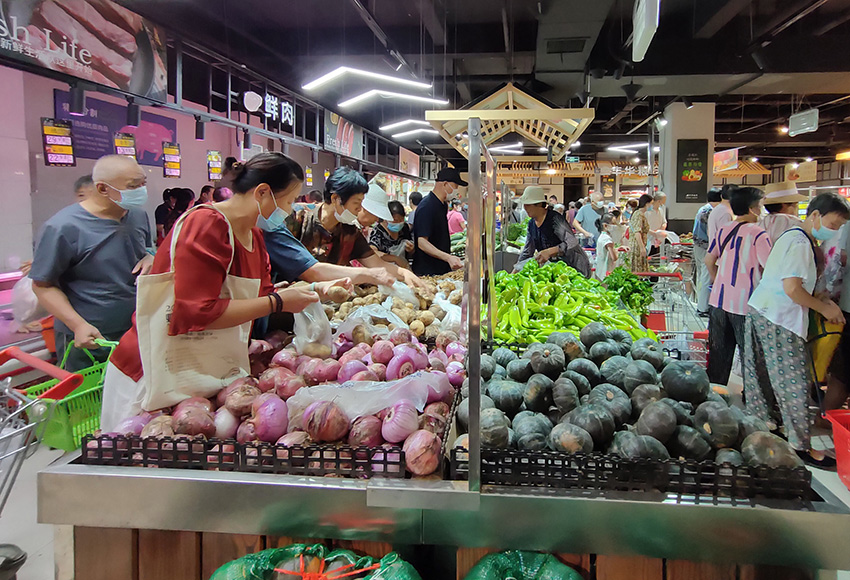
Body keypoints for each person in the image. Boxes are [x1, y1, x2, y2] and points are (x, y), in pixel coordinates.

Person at [100, 153, 342, 429]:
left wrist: (313, 289)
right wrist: (277, 302)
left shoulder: (254, 235)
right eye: (288, 201)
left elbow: (260, 295)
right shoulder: (206, 224)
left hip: (201, 373)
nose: (288, 211)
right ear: (262, 193)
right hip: (152, 372)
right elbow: (195, 311)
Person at [744, 192, 850, 468]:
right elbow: (792, 289)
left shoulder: (794, 237)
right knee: (794, 381)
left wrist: (821, 298)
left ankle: (766, 432)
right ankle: (799, 445)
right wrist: (823, 308)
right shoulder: (800, 243)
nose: (834, 231)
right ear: (814, 215)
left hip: (762, 311)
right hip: (779, 318)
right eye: (834, 224)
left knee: (763, 378)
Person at [30, 155, 154, 371]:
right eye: (133, 186)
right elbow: (42, 285)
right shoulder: (63, 227)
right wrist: (77, 325)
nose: (141, 190)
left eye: (143, 183)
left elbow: (146, 249)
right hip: (90, 337)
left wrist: (152, 256)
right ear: (103, 189)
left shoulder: (137, 215)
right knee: (89, 390)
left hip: (135, 329)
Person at [295, 167, 424, 288]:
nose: (359, 209)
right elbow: (308, 270)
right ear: (335, 199)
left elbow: (376, 263)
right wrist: (367, 274)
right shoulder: (300, 221)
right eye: (356, 203)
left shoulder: (350, 232)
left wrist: (404, 273)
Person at [704, 187, 772, 387]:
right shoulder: (759, 234)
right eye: (760, 206)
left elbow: (709, 260)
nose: (762, 210)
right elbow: (770, 269)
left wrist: (718, 281)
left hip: (718, 300)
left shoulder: (724, 229)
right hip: (745, 305)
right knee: (750, 356)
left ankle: (714, 395)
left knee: (718, 355)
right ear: (752, 209)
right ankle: (752, 398)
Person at [516, 186, 590, 277]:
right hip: (557, 271)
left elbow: (572, 242)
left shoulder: (555, 219)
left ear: (539, 205)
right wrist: (515, 271)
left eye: (528, 205)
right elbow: (528, 251)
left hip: (574, 268)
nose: (525, 208)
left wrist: (551, 251)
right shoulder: (532, 224)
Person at [412, 167, 466, 275]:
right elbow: (422, 242)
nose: (456, 191)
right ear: (445, 184)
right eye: (455, 187)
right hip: (427, 271)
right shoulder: (427, 206)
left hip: (440, 268)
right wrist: (448, 257)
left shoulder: (442, 205)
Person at [693, 188, 723, 316]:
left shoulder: (703, 209)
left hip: (698, 246)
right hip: (706, 247)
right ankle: (703, 308)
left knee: (701, 276)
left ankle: (701, 304)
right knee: (706, 277)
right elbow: (711, 233)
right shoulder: (711, 211)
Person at [370, 201, 414, 269]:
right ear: (386, 218)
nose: (399, 223)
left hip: (404, 267)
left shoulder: (404, 228)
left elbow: (410, 251)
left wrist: (411, 249)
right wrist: (395, 259)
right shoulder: (378, 231)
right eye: (395, 220)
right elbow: (372, 252)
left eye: (401, 220)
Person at [628, 194, 653, 273]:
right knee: (637, 271)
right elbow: (637, 232)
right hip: (637, 247)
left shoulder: (640, 214)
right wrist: (642, 247)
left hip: (638, 245)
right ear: (647, 204)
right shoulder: (638, 214)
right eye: (651, 203)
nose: (652, 206)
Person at [595, 214, 620, 280]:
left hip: (599, 271)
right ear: (605, 225)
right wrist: (617, 252)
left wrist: (617, 248)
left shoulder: (602, 237)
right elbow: (614, 257)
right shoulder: (607, 240)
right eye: (613, 223)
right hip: (606, 272)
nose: (615, 226)